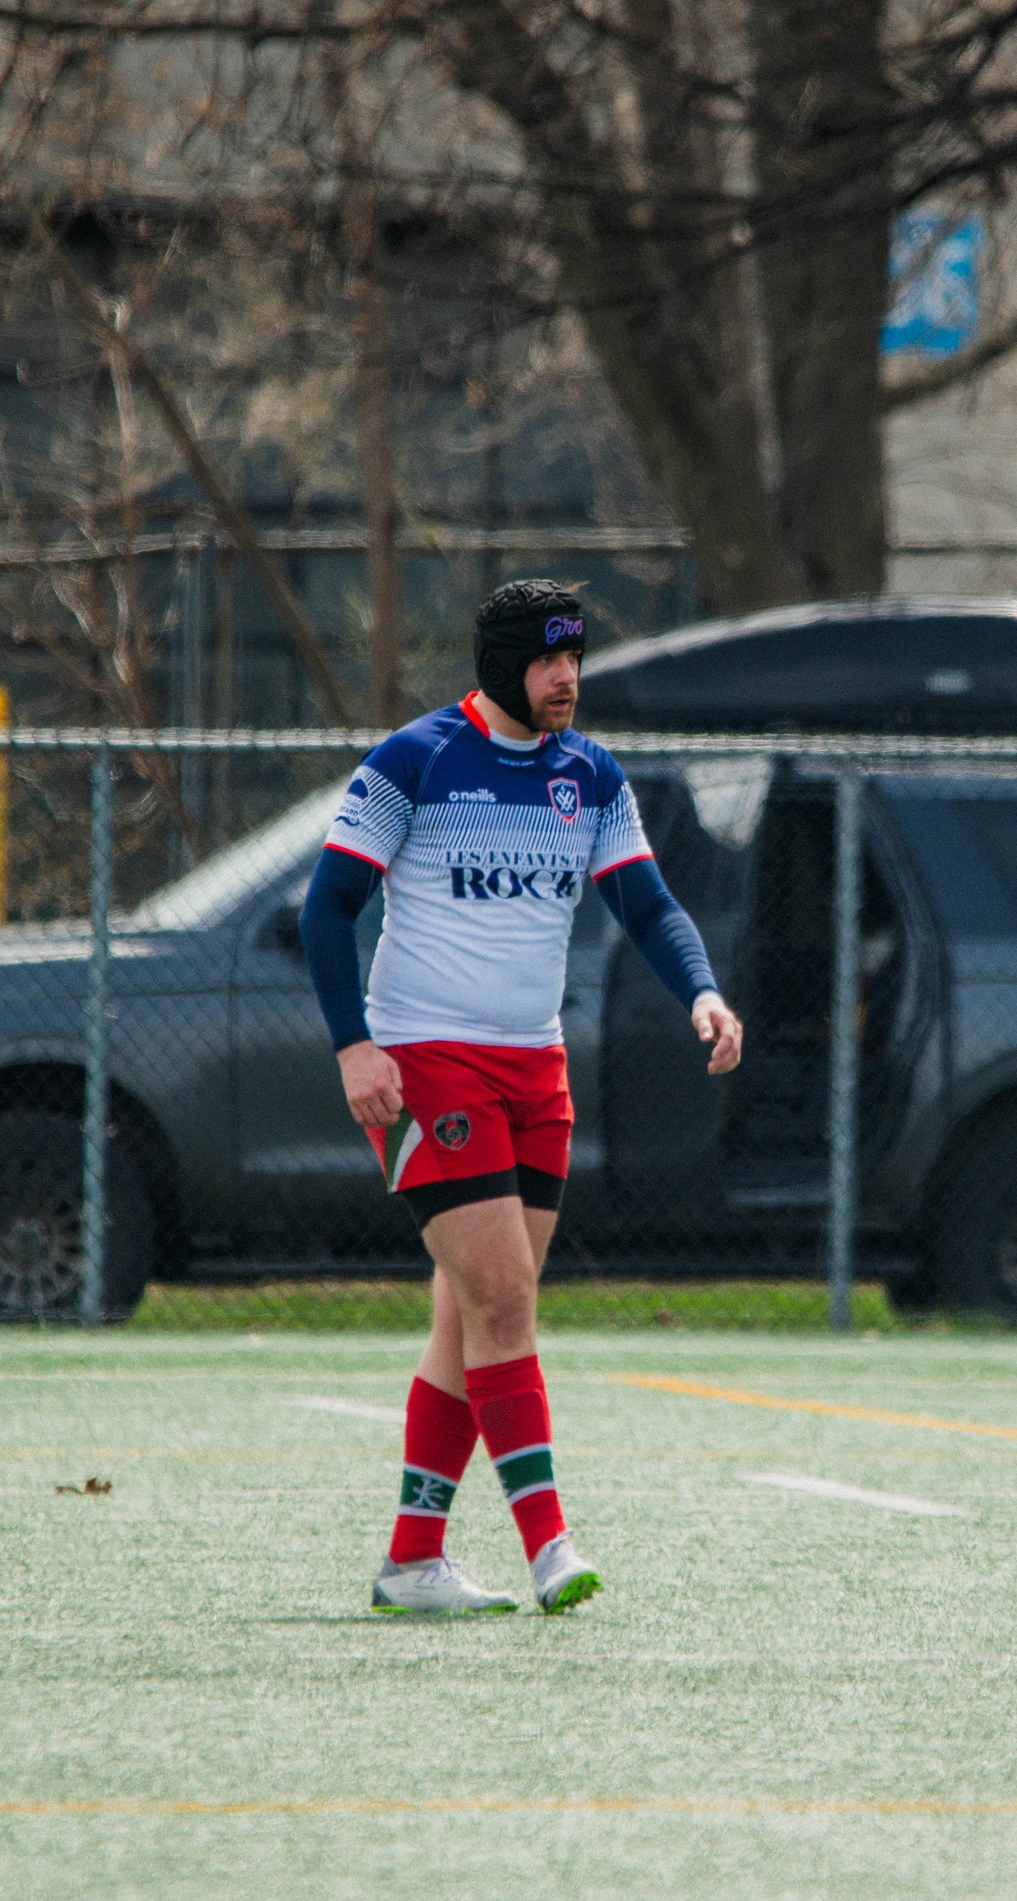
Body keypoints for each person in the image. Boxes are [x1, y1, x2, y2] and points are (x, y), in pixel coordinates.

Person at [299, 580, 743, 1615]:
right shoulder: (413, 760)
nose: (568, 679)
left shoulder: (589, 776)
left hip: (537, 1070)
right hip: (426, 1063)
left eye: (576, 659)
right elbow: (328, 910)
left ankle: (412, 1560)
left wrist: (706, 992)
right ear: (502, 663)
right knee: (504, 1299)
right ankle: (550, 1545)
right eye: (549, 661)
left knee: (470, 1310)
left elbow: (649, 902)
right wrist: (353, 1047)